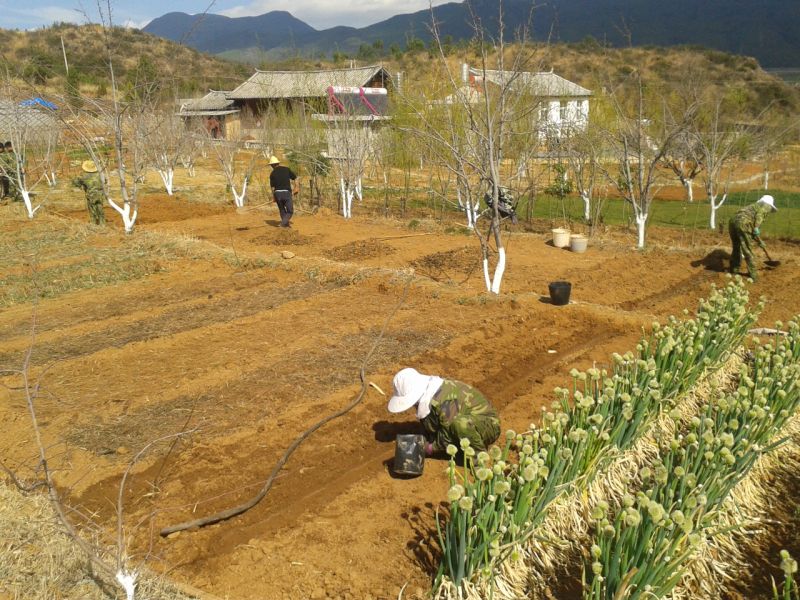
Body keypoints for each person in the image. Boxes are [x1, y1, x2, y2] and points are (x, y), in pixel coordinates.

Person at [387, 367, 501, 456]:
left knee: (460, 425)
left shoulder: (442, 400)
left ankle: (478, 458)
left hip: (488, 424)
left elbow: (447, 434)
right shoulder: (430, 393)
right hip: (468, 420)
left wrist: (430, 448)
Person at [729, 194, 777, 281]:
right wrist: (757, 227)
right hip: (744, 222)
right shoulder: (766, 206)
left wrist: (759, 240)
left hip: (733, 221)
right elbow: (759, 216)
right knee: (747, 249)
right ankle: (753, 275)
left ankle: (734, 270)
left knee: (736, 247)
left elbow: (751, 230)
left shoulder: (754, 206)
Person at [72, 160, 106, 225]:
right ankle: (102, 223)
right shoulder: (100, 174)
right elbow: (105, 181)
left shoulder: (84, 176)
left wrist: (80, 183)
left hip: (90, 195)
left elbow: (76, 183)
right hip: (100, 194)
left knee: (92, 208)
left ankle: (93, 223)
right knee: (100, 207)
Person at [268, 155, 298, 228]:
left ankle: (285, 225)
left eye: (271, 165)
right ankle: (282, 224)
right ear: (278, 163)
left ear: (272, 165)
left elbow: (272, 187)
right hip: (286, 193)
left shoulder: (272, 174)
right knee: (290, 211)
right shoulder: (286, 169)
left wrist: (274, 197)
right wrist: (297, 187)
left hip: (277, 193)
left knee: (282, 210)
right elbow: (295, 178)